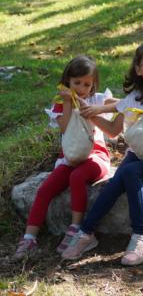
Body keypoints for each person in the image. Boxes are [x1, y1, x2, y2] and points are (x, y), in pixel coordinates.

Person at [62, 40, 143, 266]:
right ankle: (86, 233)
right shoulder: (135, 97)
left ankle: (142, 234)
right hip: (137, 153)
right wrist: (92, 115)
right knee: (115, 183)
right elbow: (114, 131)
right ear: (138, 70)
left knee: (131, 172)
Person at [12, 55, 115, 260]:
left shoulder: (98, 99)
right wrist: (68, 102)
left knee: (77, 177)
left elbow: (122, 104)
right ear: (67, 81)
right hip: (70, 157)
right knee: (46, 189)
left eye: (87, 84)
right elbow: (65, 127)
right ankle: (29, 238)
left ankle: (76, 228)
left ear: (94, 84)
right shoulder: (60, 104)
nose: (81, 88)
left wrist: (99, 109)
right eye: (77, 83)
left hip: (96, 157)